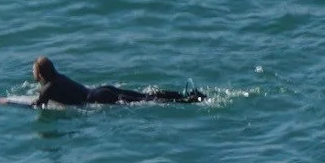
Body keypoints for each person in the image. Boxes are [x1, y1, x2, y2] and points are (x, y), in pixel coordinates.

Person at [29, 56, 206, 107]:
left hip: (98, 99)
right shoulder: (59, 77)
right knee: (146, 96)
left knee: (146, 101)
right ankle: (186, 95)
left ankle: (187, 101)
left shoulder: (48, 88)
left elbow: (37, 105)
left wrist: (7, 102)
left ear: (41, 74)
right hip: (101, 90)